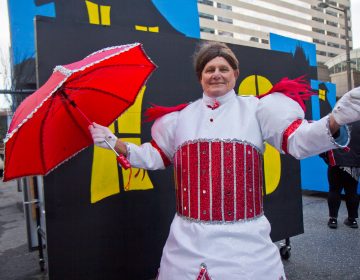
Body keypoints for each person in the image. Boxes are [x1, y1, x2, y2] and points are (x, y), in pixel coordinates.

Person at [89, 41, 360, 279]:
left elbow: (298, 141)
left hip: (245, 248)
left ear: (235, 74)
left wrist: (335, 120)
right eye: (209, 69)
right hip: (185, 246)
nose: (216, 74)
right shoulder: (179, 119)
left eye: (223, 68)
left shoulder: (258, 109)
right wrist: (116, 143)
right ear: (200, 77)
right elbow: (156, 156)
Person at [321, 120, 360, 229]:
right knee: (352, 191)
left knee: (334, 190)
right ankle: (352, 220)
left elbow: (323, 142)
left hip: (335, 162)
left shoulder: (334, 122)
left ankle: (333, 220)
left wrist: (326, 158)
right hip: (354, 164)